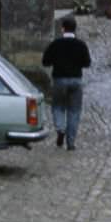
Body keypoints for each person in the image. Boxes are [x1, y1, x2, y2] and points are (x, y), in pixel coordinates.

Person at [42, 16, 92, 151]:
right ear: (75, 29)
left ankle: (60, 129)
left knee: (57, 107)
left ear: (62, 28)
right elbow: (87, 63)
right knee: (74, 111)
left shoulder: (55, 44)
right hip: (76, 80)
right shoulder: (81, 45)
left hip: (59, 80)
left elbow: (45, 62)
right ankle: (71, 143)